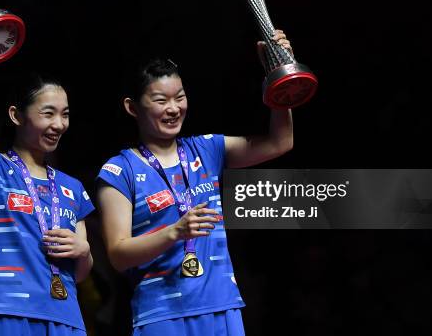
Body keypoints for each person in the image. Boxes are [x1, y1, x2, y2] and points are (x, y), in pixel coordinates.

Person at [96, 33, 294, 335]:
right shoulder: (118, 171)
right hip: (161, 315)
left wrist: (279, 77)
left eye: (180, 96)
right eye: (161, 100)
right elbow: (118, 255)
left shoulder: (207, 149)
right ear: (132, 107)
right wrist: (175, 232)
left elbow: (281, 142)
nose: (174, 108)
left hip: (222, 306)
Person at [0, 0, 94, 335]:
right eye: (48, 113)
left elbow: (83, 268)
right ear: (17, 115)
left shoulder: (72, 188)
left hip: (65, 318)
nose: (59, 124)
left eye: (65, 115)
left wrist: (84, 250)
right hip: (7, 312)